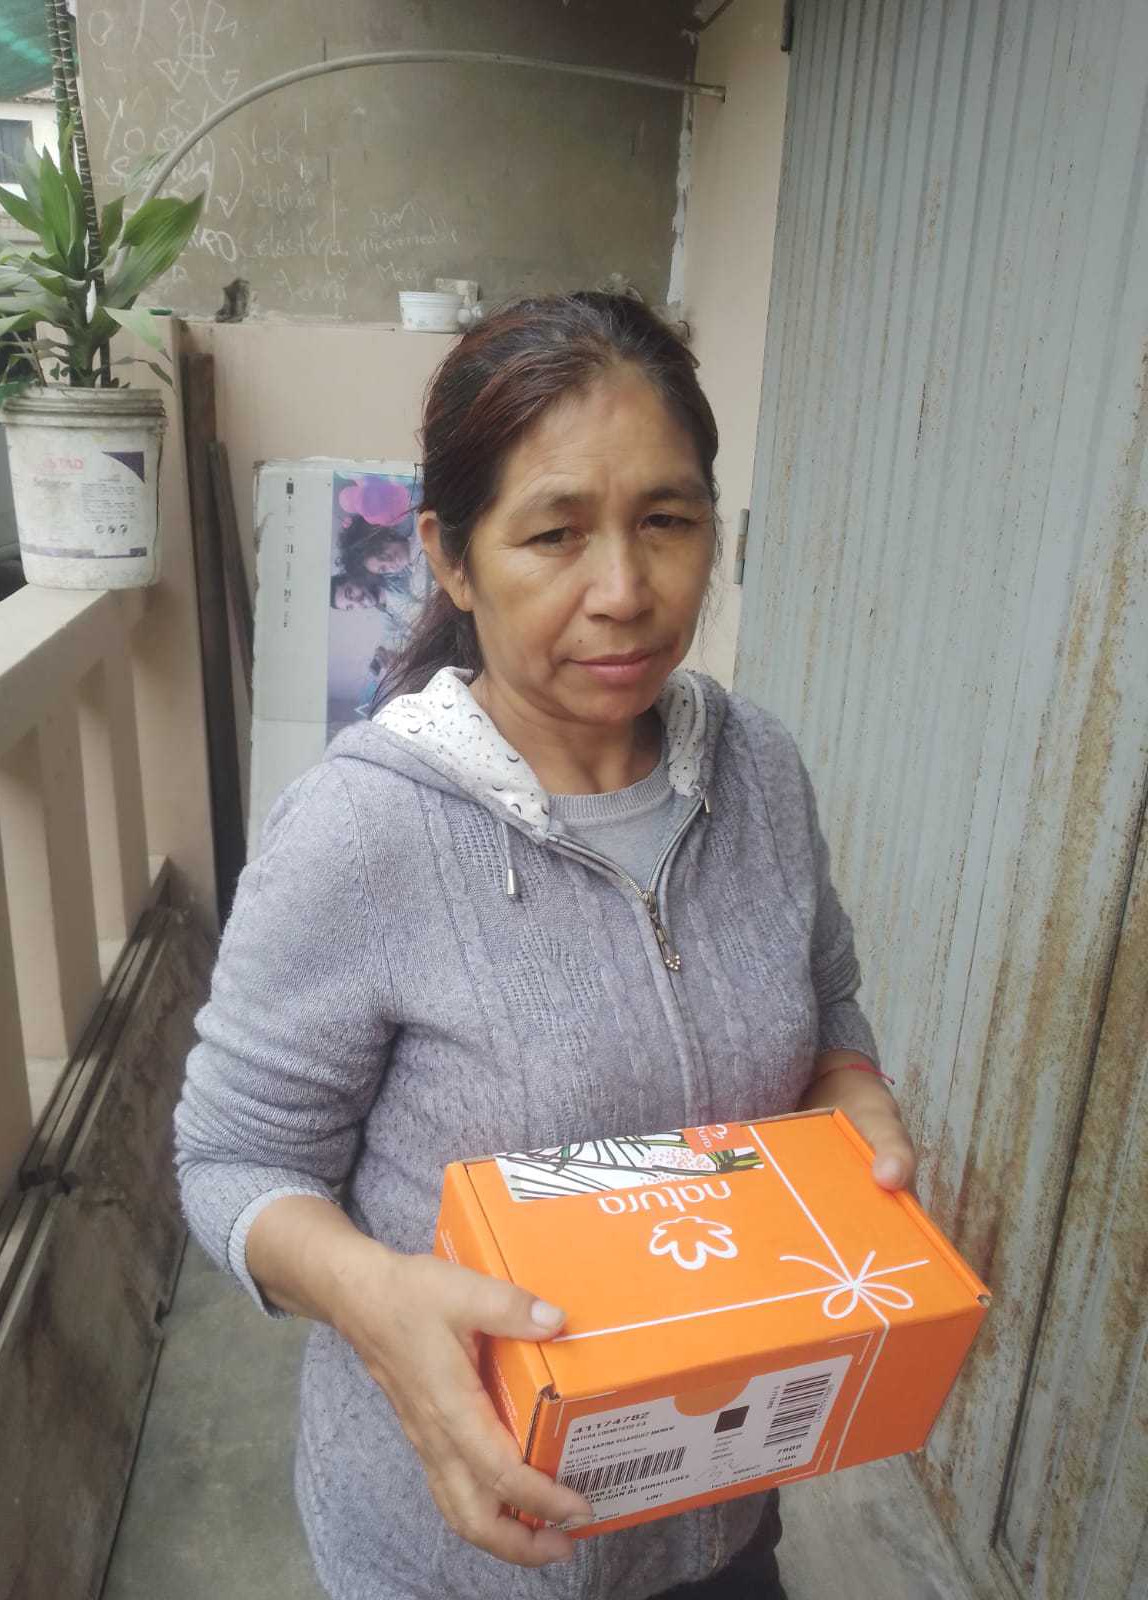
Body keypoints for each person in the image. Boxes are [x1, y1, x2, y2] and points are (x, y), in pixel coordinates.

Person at [175, 293, 917, 1600]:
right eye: (555, 533)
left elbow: (828, 1004)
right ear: (453, 560)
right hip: (460, 1550)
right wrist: (373, 1300)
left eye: (666, 521)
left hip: (721, 1502)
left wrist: (849, 1095)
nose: (623, 592)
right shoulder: (360, 833)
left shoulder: (759, 772)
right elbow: (232, 1162)